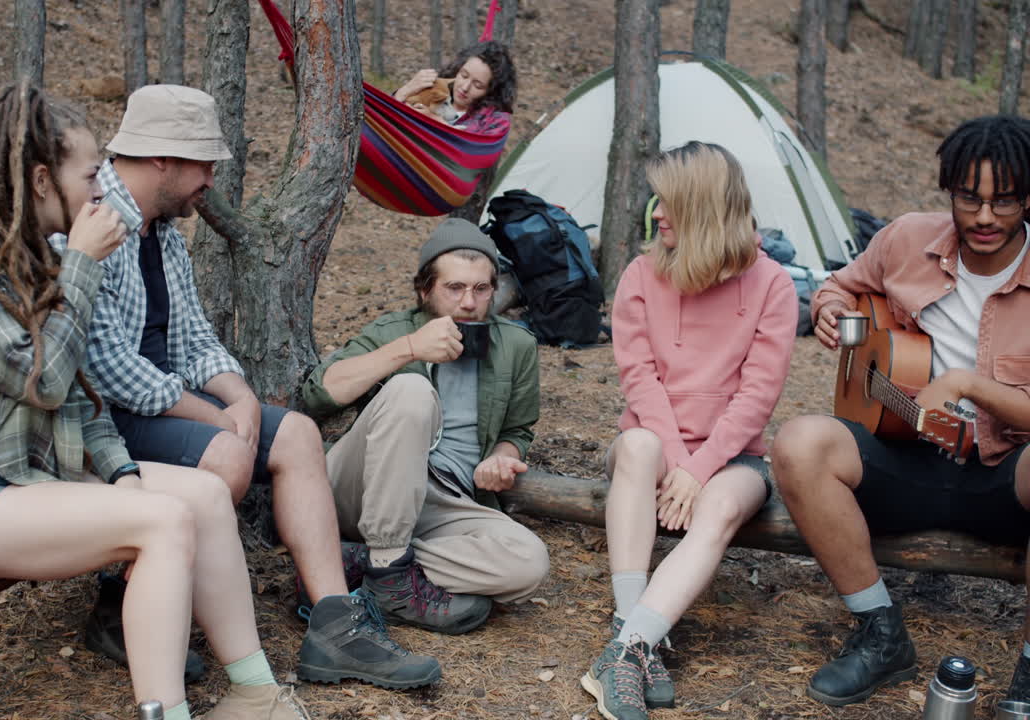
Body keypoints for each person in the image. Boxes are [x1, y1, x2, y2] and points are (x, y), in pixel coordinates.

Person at [0, 82, 307, 720]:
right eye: (88, 175)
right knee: (163, 522)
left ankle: (256, 693)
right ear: (38, 180)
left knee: (196, 496)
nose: (98, 190)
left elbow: (84, 401)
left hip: (33, 477)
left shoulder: (38, 264)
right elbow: (44, 382)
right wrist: (82, 266)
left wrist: (123, 474)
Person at [62, 84, 440, 690]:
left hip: (165, 405)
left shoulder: (159, 231)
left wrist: (236, 397)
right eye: (204, 163)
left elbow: (192, 337)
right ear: (163, 159)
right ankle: (119, 606)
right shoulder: (96, 224)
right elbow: (105, 367)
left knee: (294, 433)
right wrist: (213, 419)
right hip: (104, 417)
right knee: (227, 455)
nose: (211, 178)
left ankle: (334, 627)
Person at [771, 115, 1030, 708]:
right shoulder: (907, 239)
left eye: (1005, 201)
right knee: (798, 444)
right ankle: (879, 632)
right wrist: (829, 311)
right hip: (901, 455)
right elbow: (839, 285)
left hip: (1003, 474)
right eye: (970, 198)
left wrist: (970, 384)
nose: (985, 217)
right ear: (949, 191)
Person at [579, 142, 798, 720]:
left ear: (703, 209)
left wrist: (700, 472)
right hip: (652, 447)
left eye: (669, 203)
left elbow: (756, 398)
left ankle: (627, 651)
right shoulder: (640, 274)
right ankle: (635, 631)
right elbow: (640, 380)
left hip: (732, 458)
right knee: (639, 443)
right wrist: (678, 463)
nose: (656, 215)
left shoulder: (772, 285)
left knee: (723, 503)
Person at [300, 218, 550, 635]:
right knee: (412, 390)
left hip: (443, 501)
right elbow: (318, 394)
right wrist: (410, 349)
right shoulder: (393, 331)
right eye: (454, 288)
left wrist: (503, 457)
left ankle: (367, 564)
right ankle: (388, 568)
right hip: (364, 486)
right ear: (425, 289)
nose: (469, 303)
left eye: (481, 289)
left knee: (529, 563)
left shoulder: (517, 346)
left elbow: (518, 430)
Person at [393, 40, 516, 137]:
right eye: (464, 75)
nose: (465, 87)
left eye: (477, 85)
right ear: (457, 69)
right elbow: (385, 121)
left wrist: (436, 121)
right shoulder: (434, 87)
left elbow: (475, 156)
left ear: (491, 91)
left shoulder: (494, 120)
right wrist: (404, 91)